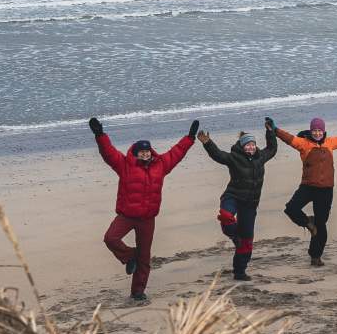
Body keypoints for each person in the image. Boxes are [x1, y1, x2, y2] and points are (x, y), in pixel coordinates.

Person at [89, 116, 198, 303]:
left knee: (145, 257)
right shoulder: (124, 165)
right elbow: (108, 153)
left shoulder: (161, 165)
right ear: (136, 153)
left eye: (148, 151)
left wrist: (190, 138)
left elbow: (176, 153)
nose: (145, 154)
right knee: (110, 238)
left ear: (151, 152)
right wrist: (100, 134)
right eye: (142, 152)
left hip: (148, 219)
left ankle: (138, 292)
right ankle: (130, 256)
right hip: (127, 215)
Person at [198, 120, 278, 281]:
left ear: (255, 145)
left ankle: (239, 271)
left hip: (250, 204)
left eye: (252, 144)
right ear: (242, 146)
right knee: (226, 215)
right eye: (247, 145)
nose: (250, 147)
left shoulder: (261, 157)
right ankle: (235, 236)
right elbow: (218, 155)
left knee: (247, 242)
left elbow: (272, 149)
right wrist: (208, 143)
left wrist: (270, 132)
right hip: (233, 197)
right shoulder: (234, 158)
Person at [271, 113, 337, 266]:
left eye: (319, 130)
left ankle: (316, 256)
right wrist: (275, 129)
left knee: (321, 225)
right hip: (307, 186)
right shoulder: (304, 143)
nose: (317, 133)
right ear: (310, 131)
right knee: (291, 209)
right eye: (314, 130)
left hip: (326, 189)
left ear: (324, 131)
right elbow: (289, 139)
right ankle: (308, 222)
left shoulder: (330, 143)